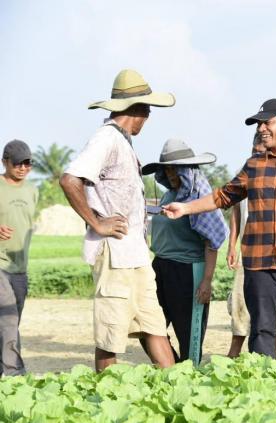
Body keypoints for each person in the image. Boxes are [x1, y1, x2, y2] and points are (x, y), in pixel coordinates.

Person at [163, 98, 276, 359]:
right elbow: (222, 196)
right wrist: (186, 208)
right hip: (260, 263)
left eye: (268, 122)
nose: (261, 129)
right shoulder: (254, 165)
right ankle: (263, 386)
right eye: (259, 124)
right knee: (261, 330)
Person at [60, 69, 176, 372]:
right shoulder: (106, 138)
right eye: (147, 110)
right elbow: (70, 180)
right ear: (137, 110)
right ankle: (106, 400)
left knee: (155, 326)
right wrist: (98, 223)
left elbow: (118, 196)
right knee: (110, 335)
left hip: (136, 253)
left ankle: (177, 389)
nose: (149, 115)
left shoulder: (124, 143)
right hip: (114, 255)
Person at [142, 139, 229, 364]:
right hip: (161, 267)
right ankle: (172, 366)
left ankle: (189, 375)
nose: (171, 174)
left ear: (187, 169)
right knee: (147, 325)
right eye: (167, 169)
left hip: (188, 271)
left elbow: (212, 241)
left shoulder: (199, 196)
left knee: (189, 334)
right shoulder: (169, 195)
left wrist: (207, 281)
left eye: (175, 169)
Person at [226, 134, 276, 358]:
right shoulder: (246, 172)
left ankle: (271, 354)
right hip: (248, 249)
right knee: (240, 304)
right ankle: (234, 355)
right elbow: (235, 210)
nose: (257, 152)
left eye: (261, 149)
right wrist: (232, 245)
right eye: (255, 149)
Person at [0, 140, 38, 376]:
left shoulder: (32, 190)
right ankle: (15, 376)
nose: (23, 168)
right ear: (5, 162)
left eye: (27, 163)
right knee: (9, 319)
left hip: (20, 268)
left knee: (8, 324)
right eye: (17, 163)